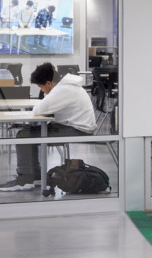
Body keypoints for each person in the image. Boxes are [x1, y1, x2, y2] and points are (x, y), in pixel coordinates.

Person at [0, 63, 97, 191]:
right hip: (74, 126)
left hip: (78, 130)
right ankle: (35, 177)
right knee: (27, 133)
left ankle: (26, 179)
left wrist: (47, 97)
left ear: (49, 83)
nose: (42, 90)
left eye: (41, 87)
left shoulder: (63, 90)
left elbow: (38, 109)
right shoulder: (66, 87)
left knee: (24, 135)